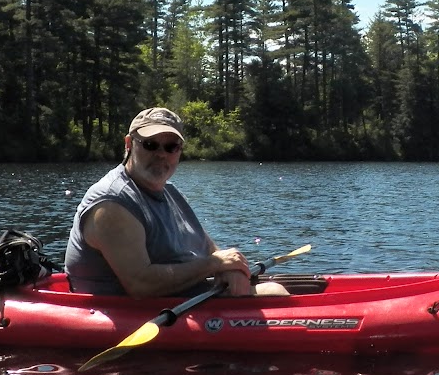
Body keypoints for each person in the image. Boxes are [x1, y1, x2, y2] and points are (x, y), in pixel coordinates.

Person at [64, 107, 288, 298]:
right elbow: (140, 285)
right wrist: (215, 265)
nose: (162, 154)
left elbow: (208, 249)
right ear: (129, 144)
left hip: (183, 299)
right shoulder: (112, 203)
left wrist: (230, 270)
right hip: (135, 311)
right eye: (151, 145)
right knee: (275, 293)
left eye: (171, 147)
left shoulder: (170, 193)